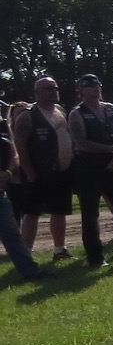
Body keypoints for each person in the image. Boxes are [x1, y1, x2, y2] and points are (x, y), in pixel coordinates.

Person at [67, 74, 113, 269]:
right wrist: (111, 150)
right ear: (81, 92)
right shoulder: (77, 114)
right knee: (90, 214)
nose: (95, 89)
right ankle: (95, 258)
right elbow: (81, 144)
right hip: (89, 169)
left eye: (97, 85)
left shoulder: (111, 109)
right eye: (89, 86)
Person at [12, 75, 77, 261]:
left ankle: (60, 249)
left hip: (61, 172)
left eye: (55, 88)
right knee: (32, 213)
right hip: (38, 173)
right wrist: (29, 171)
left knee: (59, 211)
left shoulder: (60, 110)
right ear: (37, 92)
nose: (53, 92)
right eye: (48, 88)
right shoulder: (28, 115)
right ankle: (26, 254)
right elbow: (20, 144)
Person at [0, 111, 52, 281]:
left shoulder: (1, 122)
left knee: (12, 233)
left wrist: (7, 173)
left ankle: (31, 272)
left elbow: (14, 153)